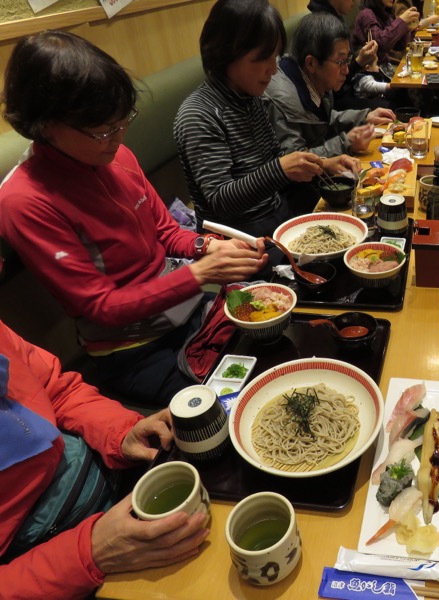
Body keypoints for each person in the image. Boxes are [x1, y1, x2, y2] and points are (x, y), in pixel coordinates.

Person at [0, 31, 268, 406]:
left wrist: (207, 246)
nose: (118, 137)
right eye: (102, 131)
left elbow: (166, 232)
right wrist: (199, 274)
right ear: (45, 126)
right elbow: (102, 307)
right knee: (242, 400)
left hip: (187, 310)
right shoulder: (24, 200)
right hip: (133, 351)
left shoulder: (116, 156)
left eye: (123, 121)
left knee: (272, 330)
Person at [0, 319, 209, 599]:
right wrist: (88, 554)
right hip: (47, 558)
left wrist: (121, 434)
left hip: (99, 468)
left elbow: (56, 390)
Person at [175, 0, 361, 229]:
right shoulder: (198, 114)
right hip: (238, 240)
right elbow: (220, 200)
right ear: (226, 53)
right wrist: (280, 170)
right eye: (263, 58)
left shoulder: (250, 98)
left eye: (275, 57)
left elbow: (275, 156)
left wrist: (324, 164)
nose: (273, 69)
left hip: (276, 216)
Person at [266, 12, 396, 157]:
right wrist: (345, 143)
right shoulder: (283, 101)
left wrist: (364, 117)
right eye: (340, 62)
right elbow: (294, 161)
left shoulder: (313, 80)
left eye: (347, 60)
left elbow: (320, 121)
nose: (346, 70)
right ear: (311, 63)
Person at [307, 0, 386, 109]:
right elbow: (334, 88)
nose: (355, 1)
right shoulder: (322, 26)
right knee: (392, 107)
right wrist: (359, 62)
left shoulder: (336, 17)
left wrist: (361, 59)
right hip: (336, 100)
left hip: (350, 88)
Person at [351, 0, 439, 69]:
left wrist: (407, 28)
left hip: (385, 67)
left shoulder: (385, 12)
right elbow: (380, 44)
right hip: (369, 73)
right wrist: (402, 20)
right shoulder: (366, 14)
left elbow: (399, 46)